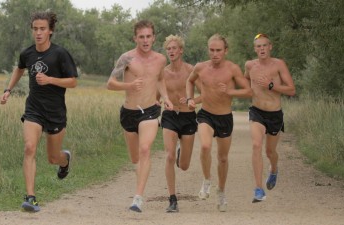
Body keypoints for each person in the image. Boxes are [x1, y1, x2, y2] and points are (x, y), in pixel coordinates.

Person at [0, 11, 78, 212]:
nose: (38, 33)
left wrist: (50, 79)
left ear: (50, 30)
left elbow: (73, 81)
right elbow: (19, 68)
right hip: (34, 110)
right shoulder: (27, 53)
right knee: (29, 147)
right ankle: (30, 197)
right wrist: (8, 90)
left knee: (53, 158)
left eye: (42, 29)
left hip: (56, 112)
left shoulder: (60, 54)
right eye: (35, 29)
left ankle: (65, 160)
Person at [106, 20, 173, 213]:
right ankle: (139, 182)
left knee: (145, 150)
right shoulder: (126, 59)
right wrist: (128, 86)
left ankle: (138, 198)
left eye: (148, 36)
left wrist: (166, 97)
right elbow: (110, 83)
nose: (145, 40)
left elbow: (160, 79)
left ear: (154, 38)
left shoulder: (160, 59)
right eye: (141, 37)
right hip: (129, 112)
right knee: (135, 159)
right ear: (135, 38)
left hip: (151, 110)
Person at [186, 34, 252, 212]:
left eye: (218, 50)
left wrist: (230, 91)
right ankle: (207, 180)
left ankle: (221, 191)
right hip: (206, 114)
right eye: (212, 50)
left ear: (225, 51)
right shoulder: (200, 67)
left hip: (224, 118)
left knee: (223, 158)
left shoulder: (232, 69)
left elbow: (248, 91)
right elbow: (189, 81)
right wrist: (189, 99)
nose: (214, 54)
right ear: (208, 50)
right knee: (205, 146)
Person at [244, 33, 295, 203]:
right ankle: (259, 189)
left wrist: (271, 86)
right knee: (256, 144)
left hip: (274, 114)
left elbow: (291, 90)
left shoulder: (279, 65)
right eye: (258, 46)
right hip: (256, 111)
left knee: (270, 151)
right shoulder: (250, 65)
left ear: (270, 47)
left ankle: (273, 169)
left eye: (264, 46)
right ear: (255, 49)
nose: (261, 49)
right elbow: (244, 81)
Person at [161, 35, 201, 213]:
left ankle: (180, 153)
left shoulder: (191, 70)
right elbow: (158, 94)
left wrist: (193, 100)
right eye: (168, 48)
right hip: (170, 116)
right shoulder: (162, 72)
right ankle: (172, 199)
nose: (171, 51)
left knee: (184, 165)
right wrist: (157, 101)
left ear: (181, 50)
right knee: (168, 156)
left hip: (188, 118)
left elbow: (205, 92)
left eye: (174, 48)